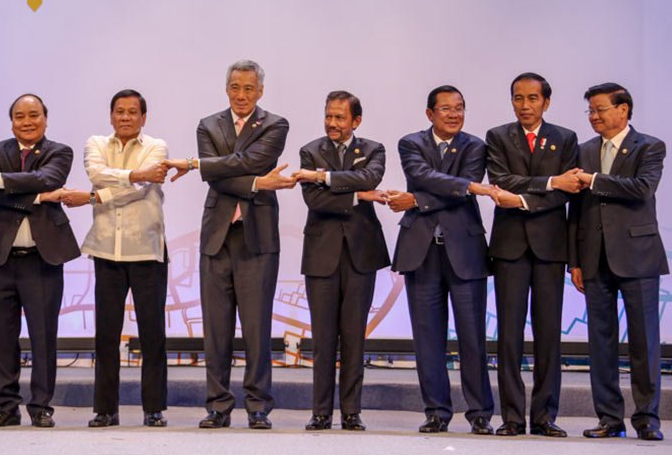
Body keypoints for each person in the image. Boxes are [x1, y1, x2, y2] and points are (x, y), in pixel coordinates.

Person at [165, 59, 293, 430]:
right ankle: (218, 406)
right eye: (235, 87)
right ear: (227, 89)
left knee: (256, 327)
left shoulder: (275, 124)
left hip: (257, 236)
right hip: (217, 237)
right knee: (216, 329)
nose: (241, 95)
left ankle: (257, 406)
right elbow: (218, 179)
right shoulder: (208, 125)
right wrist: (254, 182)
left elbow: (253, 160)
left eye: (249, 88)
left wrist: (199, 164)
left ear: (260, 91)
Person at [387, 85, 496, 435]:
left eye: (459, 108)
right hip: (421, 252)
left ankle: (479, 413)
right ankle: (436, 412)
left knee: (472, 337)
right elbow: (425, 177)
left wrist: (417, 201)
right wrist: (461, 188)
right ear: (430, 113)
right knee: (427, 338)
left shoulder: (475, 146)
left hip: (465, 251)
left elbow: (465, 187)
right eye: (446, 108)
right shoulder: (410, 143)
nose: (454, 114)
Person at [59, 89, 170, 428]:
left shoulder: (157, 146)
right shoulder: (95, 143)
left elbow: (142, 189)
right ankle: (105, 409)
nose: (125, 117)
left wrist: (92, 197)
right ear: (111, 115)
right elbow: (98, 175)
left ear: (143, 117)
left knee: (152, 334)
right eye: (119, 111)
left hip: (147, 248)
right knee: (106, 335)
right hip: (107, 249)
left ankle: (154, 408)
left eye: (132, 112)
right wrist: (136, 175)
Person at [0, 94, 80, 428]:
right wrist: (41, 197)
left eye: (34, 115)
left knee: (43, 336)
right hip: (1, 258)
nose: (27, 122)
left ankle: (41, 407)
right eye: (20, 116)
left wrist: (1, 179)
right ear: (11, 121)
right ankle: (5, 407)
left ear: (45, 118)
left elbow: (49, 178)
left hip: (42, 259)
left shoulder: (60, 151)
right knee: (0, 338)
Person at [569, 83, 666, 441]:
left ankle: (647, 418)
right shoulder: (584, 150)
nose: (594, 116)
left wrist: (594, 180)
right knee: (601, 342)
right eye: (591, 111)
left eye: (600, 109)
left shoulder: (649, 146)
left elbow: (642, 188)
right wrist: (575, 261)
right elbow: (576, 211)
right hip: (594, 258)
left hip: (638, 257)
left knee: (644, 341)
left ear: (623, 109)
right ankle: (609, 418)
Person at [485, 73, 579, 437]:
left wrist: (524, 200)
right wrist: (551, 182)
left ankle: (544, 416)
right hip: (510, 247)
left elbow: (567, 191)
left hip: (550, 247)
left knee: (548, 334)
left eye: (533, 98)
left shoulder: (565, 138)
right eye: (518, 98)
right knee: (508, 335)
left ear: (546, 102)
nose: (525, 106)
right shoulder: (497, 136)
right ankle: (511, 416)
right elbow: (502, 181)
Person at [292, 91, 390, 431]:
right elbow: (315, 202)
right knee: (322, 339)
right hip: (321, 254)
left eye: (340, 117)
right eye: (328, 116)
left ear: (356, 121)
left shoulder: (374, 150)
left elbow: (370, 178)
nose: (332, 123)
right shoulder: (310, 151)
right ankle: (320, 412)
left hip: (361, 253)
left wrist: (323, 177)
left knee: (353, 337)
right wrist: (357, 195)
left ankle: (351, 412)